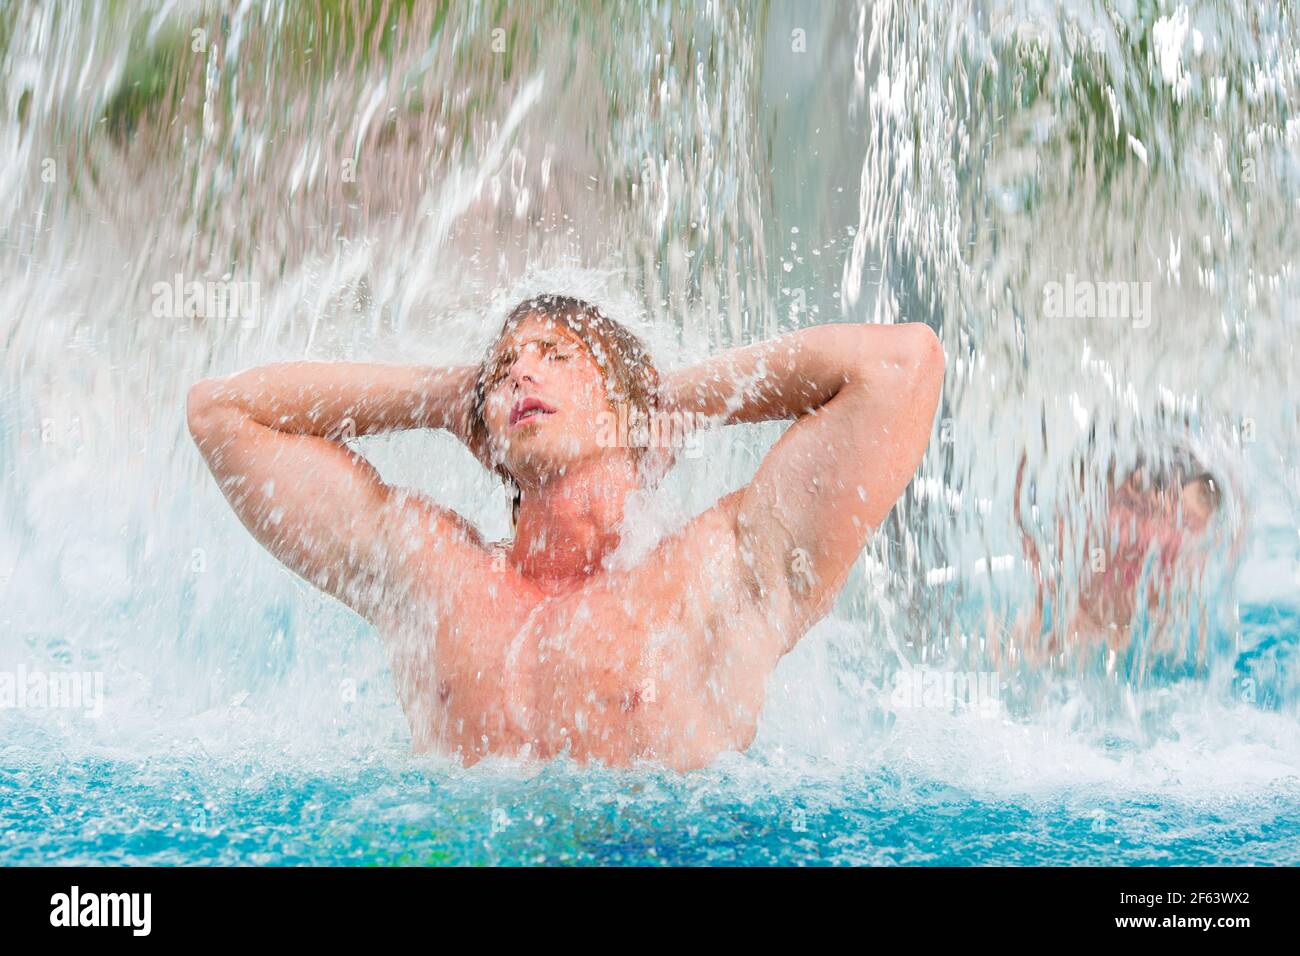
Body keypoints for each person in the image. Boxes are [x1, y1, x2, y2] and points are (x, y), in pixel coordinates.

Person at [187, 294, 943, 769]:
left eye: (557, 357)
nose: (521, 373)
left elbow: (903, 365)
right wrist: (439, 395)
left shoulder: (723, 570)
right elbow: (222, 416)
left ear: (622, 406)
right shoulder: (434, 572)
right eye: (505, 366)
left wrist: (671, 399)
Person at [1010, 442, 1240, 670]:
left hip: (1115, 568)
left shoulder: (1164, 533)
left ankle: (1044, 650)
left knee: (1097, 629)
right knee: (1086, 626)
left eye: (1190, 523)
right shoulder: (1126, 514)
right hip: (1105, 562)